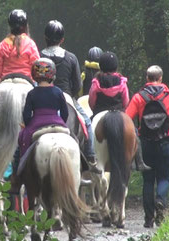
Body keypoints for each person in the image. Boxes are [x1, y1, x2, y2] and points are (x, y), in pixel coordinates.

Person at [40, 20, 101, 173]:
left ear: (45, 38)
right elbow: (78, 85)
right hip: (66, 96)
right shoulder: (71, 57)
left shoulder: (39, 57)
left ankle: (19, 158)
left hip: (42, 96)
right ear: (62, 40)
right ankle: (91, 156)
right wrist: (70, 95)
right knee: (87, 122)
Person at [125, 65, 169, 228]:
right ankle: (161, 201)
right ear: (161, 78)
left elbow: (127, 118)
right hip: (165, 141)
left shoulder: (139, 97)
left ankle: (148, 219)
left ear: (147, 78)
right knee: (163, 177)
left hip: (146, 142)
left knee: (148, 181)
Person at [18, 58, 68, 159]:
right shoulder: (58, 92)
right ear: (52, 74)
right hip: (57, 122)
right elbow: (65, 113)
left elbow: (26, 116)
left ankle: (21, 165)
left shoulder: (31, 93)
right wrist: (62, 122)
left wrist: (27, 125)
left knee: (22, 137)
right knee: (74, 139)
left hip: (36, 122)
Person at [0, 9, 40, 81]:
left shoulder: (2, 45)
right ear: (25, 26)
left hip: (6, 80)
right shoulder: (30, 43)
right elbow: (36, 66)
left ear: (10, 26)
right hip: (26, 79)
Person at [88, 51, 129, 117]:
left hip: (99, 113)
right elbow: (125, 103)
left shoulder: (96, 82)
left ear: (101, 66)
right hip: (119, 114)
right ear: (115, 66)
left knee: (88, 125)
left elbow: (91, 103)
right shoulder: (122, 82)